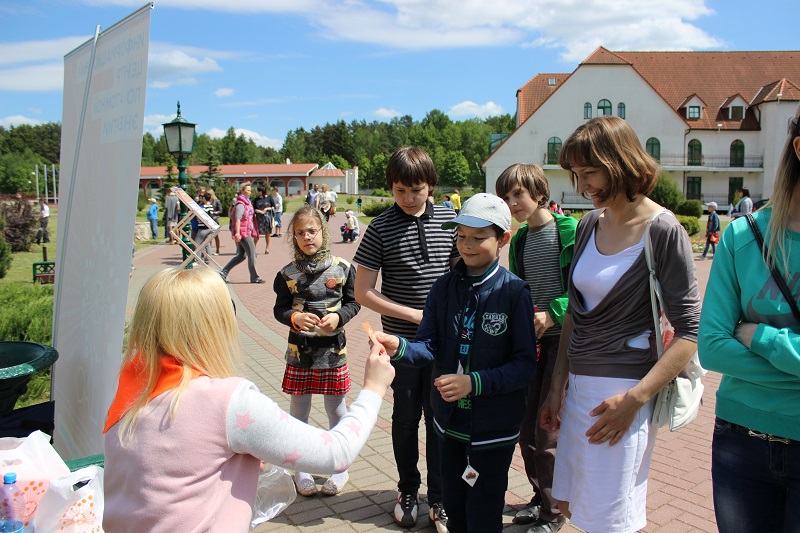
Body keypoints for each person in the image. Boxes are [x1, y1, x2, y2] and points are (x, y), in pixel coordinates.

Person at [103, 267, 394, 533]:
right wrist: (373, 389)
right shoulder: (228, 402)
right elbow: (336, 454)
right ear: (213, 324)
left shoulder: (131, 390)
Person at [540, 116, 701, 533]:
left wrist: (635, 400)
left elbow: (690, 332)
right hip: (578, 390)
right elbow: (575, 315)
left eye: (589, 172)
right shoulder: (591, 223)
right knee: (574, 506)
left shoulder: (662, 230)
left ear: (621, 161)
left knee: (611, 520)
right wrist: (556, 388)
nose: (581, 185)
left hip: (623, 396)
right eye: (575, 174)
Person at [375, 193, 537, 533]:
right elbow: (428, 346)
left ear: (503, 239)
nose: (467, 245)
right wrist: (399, 346)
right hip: (448, 424)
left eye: (479, 237)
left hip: (494, 429)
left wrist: (474, 382)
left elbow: (524, 366)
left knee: (484, 511)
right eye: (461, 236)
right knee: (453, 506)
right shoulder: (442, 288)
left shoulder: (514, 292)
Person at [698, 106, 800, 533]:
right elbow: (712, 346)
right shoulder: (744, 237)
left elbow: (734, 342)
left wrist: (762, 339)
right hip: (741, 441)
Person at [353, 146, 459, 531]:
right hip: (400, 341)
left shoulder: (450, 220)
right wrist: (413, 314)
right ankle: (408, 489)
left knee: (440, 419)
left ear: (431, 185)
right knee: (405, 415)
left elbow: (461, 274)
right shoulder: (380, 227)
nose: (409, 199)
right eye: (400, 191)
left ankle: (441, 496)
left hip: (444, 343)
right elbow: (363, 292)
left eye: (417, 190)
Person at [496, 164, 577, 533]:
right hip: (532, 343)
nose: (512, 203)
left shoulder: (569, 231)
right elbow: (519, 290)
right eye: (507, 197)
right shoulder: (522, 239)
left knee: (549, 431)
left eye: (518, 194)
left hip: (563, 343)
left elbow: (583, 292)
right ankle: (539, 496)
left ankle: (554, 511)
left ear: (539, 193)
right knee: (526, 429)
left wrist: (551, 314)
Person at [273, 206, 361, 497]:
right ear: (293, 237)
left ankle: (340, 467)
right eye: (300, 233)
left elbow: (354, 302)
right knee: (299, 412)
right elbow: (280, 309)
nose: (307, 237)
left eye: (312, 231)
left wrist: (339, 317)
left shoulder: (343, 267)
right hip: (300, 353)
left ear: (323, 232)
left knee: (336, 409)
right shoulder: (286, 274)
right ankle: (301, 468)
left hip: (333, 352)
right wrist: (294, 318)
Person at [220, 182, 264, 284]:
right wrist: (237, 233)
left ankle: (223, 273)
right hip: (243, 232)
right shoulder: (241, 203)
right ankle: (254, 277)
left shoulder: (247, 202)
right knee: (252, 254)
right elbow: (237, 219)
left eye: (250, 190)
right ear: (242, 191)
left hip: (246, 230)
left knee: (241, 256)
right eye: (248, 190)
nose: (250, 192)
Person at [194, 192, 216, 263]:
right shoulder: (211, 206)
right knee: (207, 244)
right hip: (209, 227)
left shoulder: (203, 208)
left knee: (197, 243)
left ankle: (198, 259)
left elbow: (200, 217)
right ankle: (208, 259)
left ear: (204, 198)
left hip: (203, 227)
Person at [252, 186, 274, 254]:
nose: (258, 192)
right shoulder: (256, 199)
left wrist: (266, 209)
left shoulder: (269, 197)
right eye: (258, 191)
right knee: (257, 234)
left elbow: (273, 207)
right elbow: (253, 209)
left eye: (259, 191)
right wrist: (259, 211)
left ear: (263, 191)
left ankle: (267, 248)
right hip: (259, 218)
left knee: (267, 233)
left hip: (267, 218)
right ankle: (253, 248)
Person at [208, 189, 223, 255]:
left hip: (215, 219)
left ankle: (217, 250)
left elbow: (220, 211)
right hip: (208, 220)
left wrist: (215, 212)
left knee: (216, 235)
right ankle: (209, 250)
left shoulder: (216, 201)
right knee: (209, 236)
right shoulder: (206, 201)